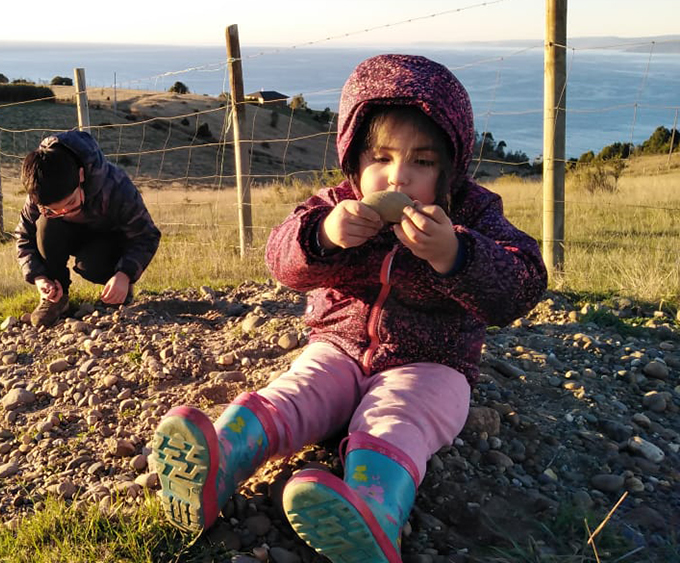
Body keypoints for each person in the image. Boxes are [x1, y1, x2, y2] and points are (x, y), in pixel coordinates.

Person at [149, 54, 547, 562]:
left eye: (422, 162)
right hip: (337, 348)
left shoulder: (472, 212)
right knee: (294, 394)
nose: (396, 178)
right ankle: (221, 458)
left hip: (432, 363)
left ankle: (374, 511)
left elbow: (523, 283)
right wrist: (324, 236)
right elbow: (281, 261)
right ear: (354, 157)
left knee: (399, 418)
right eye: (381, 157)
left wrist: (456, 254)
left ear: (451, 167)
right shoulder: (333, 204)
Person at [14, 130, 161, 327]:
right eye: (53, 210)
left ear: (81, 176)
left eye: (71, 203)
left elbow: (147, 235)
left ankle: (119, 288)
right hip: (66, 236)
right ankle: (56, 298)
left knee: (92, 266)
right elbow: (23, 236)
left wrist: (125, 274)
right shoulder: (40, 190)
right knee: (44, 224)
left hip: (106, 243)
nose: (65, 212)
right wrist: (39, 277)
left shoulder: (116, 185)